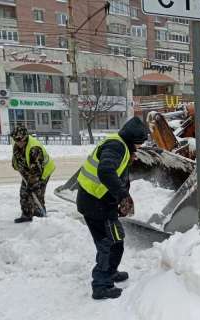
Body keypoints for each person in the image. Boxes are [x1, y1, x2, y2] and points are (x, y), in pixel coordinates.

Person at [76, 117, 148, 300]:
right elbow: (106, 171)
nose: (139, 148)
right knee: (108, 243)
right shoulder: (117, 146)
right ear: (133, 140)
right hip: (96, 205)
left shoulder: (120, 144)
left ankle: (110, 272)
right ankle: (101, 285)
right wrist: (122, 195)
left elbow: (114, 172)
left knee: (116, 241)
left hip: (98, 202)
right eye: (139, 144)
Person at [11, 126, 55, 223]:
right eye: (15, 139)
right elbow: (16, 156)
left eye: (19, 139)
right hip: (28, 170)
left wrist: (32, 184)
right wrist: (15, 164)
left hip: (42, 171)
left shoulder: (34, 148)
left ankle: (39, 216)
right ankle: (26, 214)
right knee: (24, 192)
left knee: (36, 192)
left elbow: (36, 171)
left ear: (25, 137)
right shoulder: (17, 144)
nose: (17, 142)